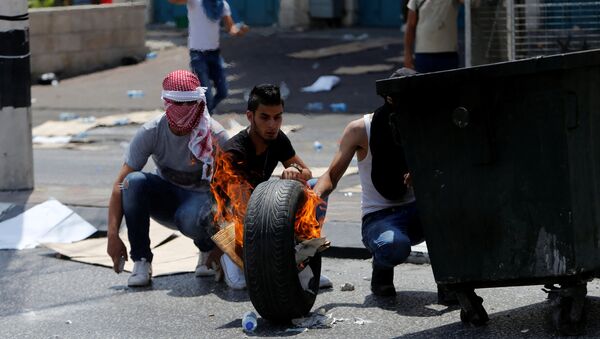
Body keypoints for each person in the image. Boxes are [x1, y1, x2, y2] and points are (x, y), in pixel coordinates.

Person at [106, 70, 229, 287]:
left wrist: (222, 247)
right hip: (166, 200)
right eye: (177, 104)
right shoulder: (152, 132)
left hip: (202, 206)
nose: (183, 111)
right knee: (132, 182)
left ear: (199, 102)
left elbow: (234, 192)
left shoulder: (215, 135)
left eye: (189, 103)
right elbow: (119, 184)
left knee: (189, 215)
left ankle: (206, 248)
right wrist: (113, 236)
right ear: (166, 103)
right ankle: (142, 260)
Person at [313, 68, 426, 297]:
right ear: (390, 98)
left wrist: (423, 176)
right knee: (395, 246)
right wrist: (311, 201)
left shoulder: (424, 124)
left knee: (453, 222)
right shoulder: (360, 129)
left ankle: (450, 283)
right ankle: (382, 269)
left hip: (419, 210)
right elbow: (331, 177)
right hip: (379, 216)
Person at [216, 83, 331, 290]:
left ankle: (304, 262)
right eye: (265, 117)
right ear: (250, 117)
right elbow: (241, 207)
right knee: (245, 283)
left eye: (277, 117)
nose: (272, 125)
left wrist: (294, 171)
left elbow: (307, 174)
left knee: (313, 188)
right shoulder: (233, 152)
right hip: (231, 220)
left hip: (259, 208)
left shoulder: (277, 139)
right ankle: (230, 258)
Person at [169, 0, 249, 113]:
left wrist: (240, 31)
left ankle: (199, 115)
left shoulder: (221, 5)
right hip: (198, 55)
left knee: (223, 92)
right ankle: (203, 120)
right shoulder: (195, 2)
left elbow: (231, 28)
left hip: (214, 55)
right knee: (207, 96)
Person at [404, 0, 463, 73]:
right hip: (423, 54)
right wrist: (408, 54)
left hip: (448, 53)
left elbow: (473, 3)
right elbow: (410, 25)